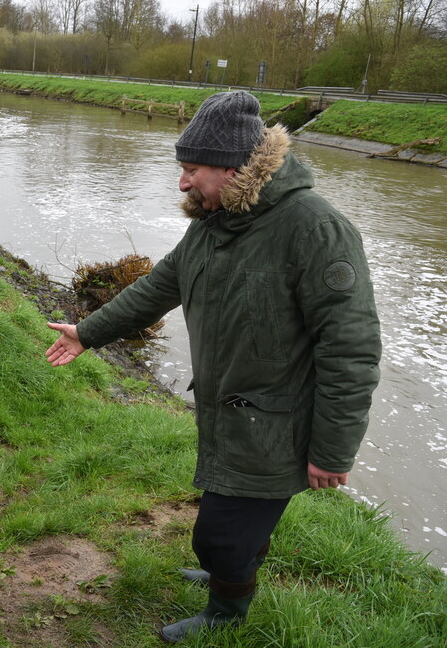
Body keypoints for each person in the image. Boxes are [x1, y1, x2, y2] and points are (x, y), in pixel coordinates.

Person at [44, 91, 381, 642]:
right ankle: (235, 564)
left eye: (191, 169)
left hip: (276, 423)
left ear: (233, 168)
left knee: (218, 537)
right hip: (227, 414)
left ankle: (227, 609)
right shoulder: (214, 222)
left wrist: (333, 449)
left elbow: (352, 347)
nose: (182, 183)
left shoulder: (315, 228)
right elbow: (159, 286)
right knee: (233, 526)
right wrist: (88, 333)